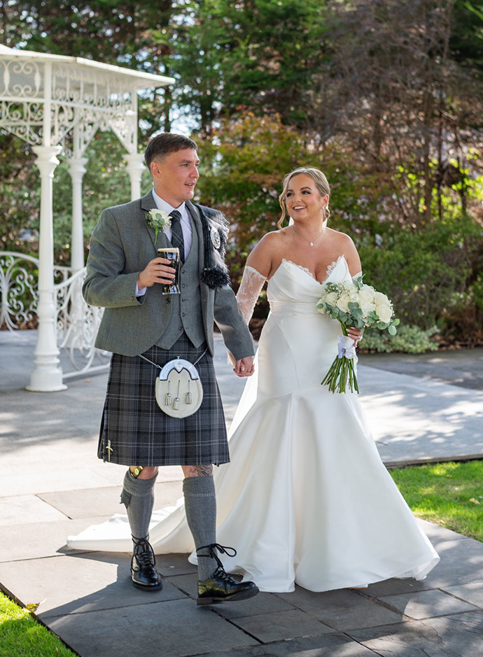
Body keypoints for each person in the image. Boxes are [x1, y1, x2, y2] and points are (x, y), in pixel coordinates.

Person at [71, 165, 439, 593]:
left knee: (337, 438)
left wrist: (356, 328)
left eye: (303, 191)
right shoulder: (270, 243)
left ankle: (332, 542)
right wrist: (238, 347)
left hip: (332, 356)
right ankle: (196, 546)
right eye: (288, 193)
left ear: (324, 197)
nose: (294, 199)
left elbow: (355, 301)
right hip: (283, 352)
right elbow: (237, 301)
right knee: (244, 441)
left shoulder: (344, 244)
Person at [80, 132, 259, 606]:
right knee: (146, 463)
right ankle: (142, 551)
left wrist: (241, 345)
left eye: (196, 164)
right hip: (142, 353)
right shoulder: (118, 220)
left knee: (199, 463)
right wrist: (138, 280)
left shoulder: (208, 222)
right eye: (184, 164)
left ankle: (208, 570)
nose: (194, 172)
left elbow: (220, 290)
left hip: (196, 352)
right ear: (156, 169)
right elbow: (94, 288)